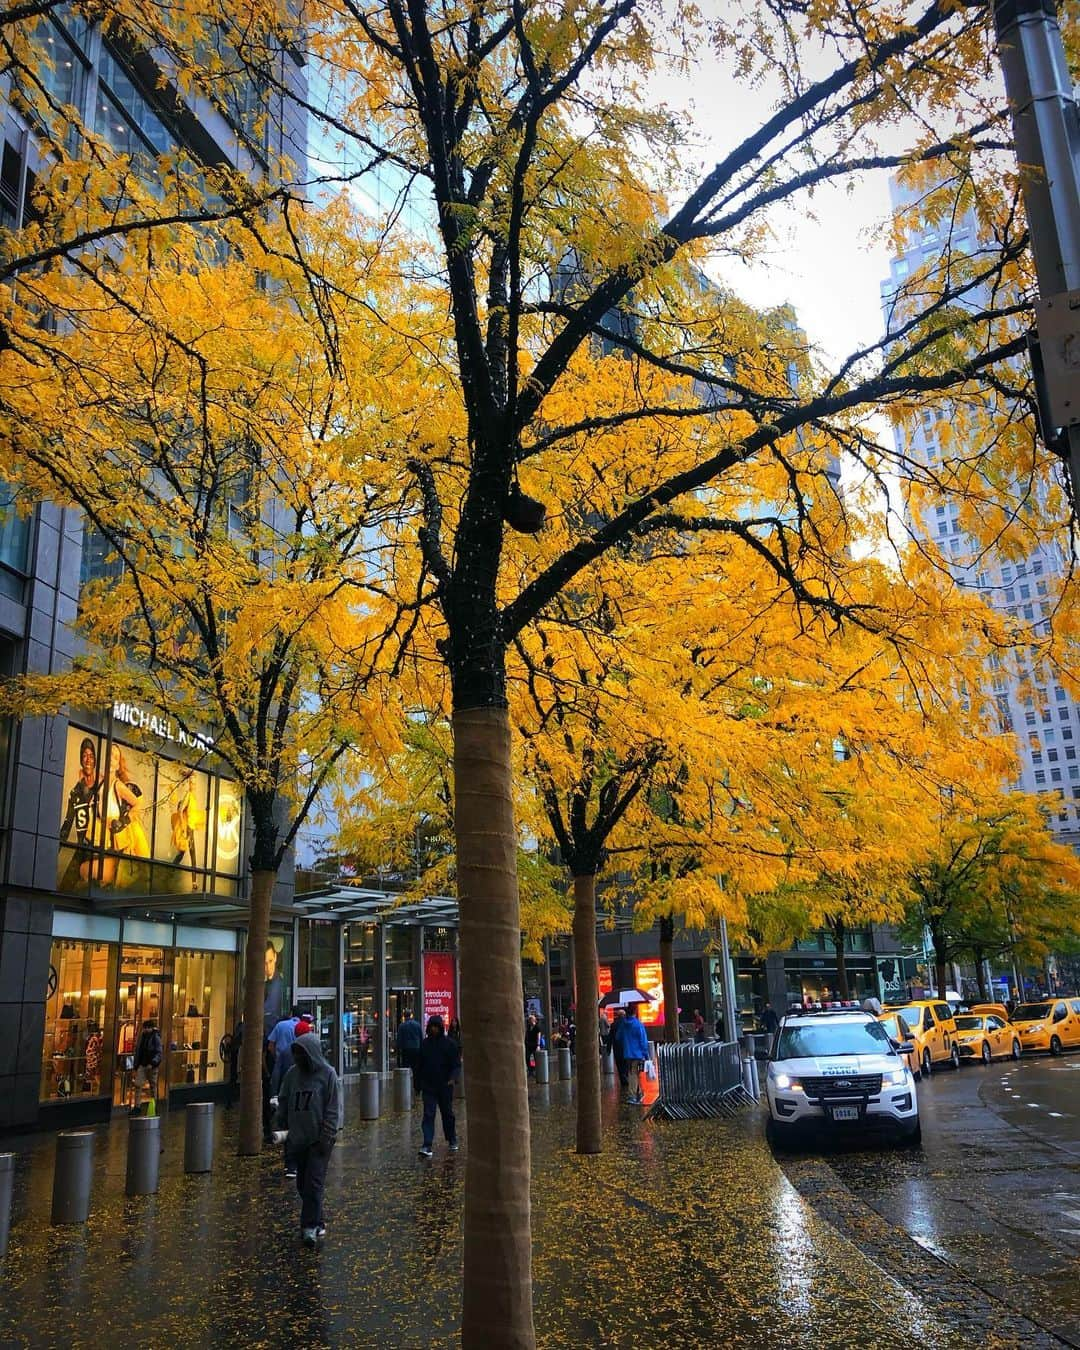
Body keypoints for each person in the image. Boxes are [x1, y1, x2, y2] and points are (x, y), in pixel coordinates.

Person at [274, 1032, 341, 1248]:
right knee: (303, 1184)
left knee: (313, 1182)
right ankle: (318, 1218)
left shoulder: (328, 1075)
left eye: (302, 1054)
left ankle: (309, 1226)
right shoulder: (293, 1075)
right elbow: (284, 1099)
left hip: (319, 1139)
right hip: (298, 1137)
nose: (298, 1059)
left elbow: (332, 1109)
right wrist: (280, 1122)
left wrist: (327, 1135)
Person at [59, 736, 101, 891]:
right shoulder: (76, 791)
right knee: (65, 887)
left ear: (95, 760)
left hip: (98, 847)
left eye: (91, 756)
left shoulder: (102, 785)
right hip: (82, 846)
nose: (88, 760)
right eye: (84, 756)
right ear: (80, 760)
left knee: (95, 890)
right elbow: (67, 823)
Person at [417, 1014, 461, 1157]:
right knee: (429, 1114)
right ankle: (427, 1143)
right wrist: (418, 1084)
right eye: (432, 1027)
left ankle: (452, 1138)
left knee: (447, 1114)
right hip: (429, 1085)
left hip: (444, 1085)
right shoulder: (425, 1044)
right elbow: (419, 1065)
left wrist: (452, 1079)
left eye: (436, 1027)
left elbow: (456, 1064)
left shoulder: (449, 1044)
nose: (434, 1029)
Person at [613, 1002, 650, 1104]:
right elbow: (643, 1041)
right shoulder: (638, 1024)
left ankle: (638, 1092)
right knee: (634, 1073)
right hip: (637, 1054)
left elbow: (618, 1037)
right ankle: (632, 1096)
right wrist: (646, 1055)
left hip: (627, 1053)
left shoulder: (623, 1024)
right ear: (635, 1011)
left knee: (632, 1073)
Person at [268, 1007, 303, 1098]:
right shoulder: (302, 1027)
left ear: (291, 1013)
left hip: (282, 1065)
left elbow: (270, 1046)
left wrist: (276, 1058)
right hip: (297, 1064)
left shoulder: (280, 1025)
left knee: (279, 1090)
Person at [131, 1017, 162, 1115]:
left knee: (153, 1087)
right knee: (138, 1085)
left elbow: (159, 1052)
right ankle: (137, 1107)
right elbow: (138, 1051)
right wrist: (136, 1065)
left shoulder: (156, 1037)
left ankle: (154, 1105)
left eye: (146, 1028)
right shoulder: (142, 1036)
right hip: (142, 1065)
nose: (144, 1030)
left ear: (150, 1028)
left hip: (151, 1066)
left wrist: (153, 1063)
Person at [396, 1010, 423, 1084]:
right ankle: (417, 1086)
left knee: (405, 1069)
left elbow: (399, 1040)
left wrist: (398, 1050)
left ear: (404, 1016)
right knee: (416, 1069)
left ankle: (405, 1085)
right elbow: (421, 1037)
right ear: (411, 1015)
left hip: (406, 1049)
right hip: (416, 1049)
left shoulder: (402, 1026)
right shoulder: (417, 1024)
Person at [610, 1006, 629, 1088]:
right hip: (626, 1048)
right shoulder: (627, 1023)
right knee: (626, 1064)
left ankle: (622, 1078)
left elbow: (610, 1036)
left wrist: (608, 1048)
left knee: (619, 1064)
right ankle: (625, 1076)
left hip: (617, 1048)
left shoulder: (613, 1024)